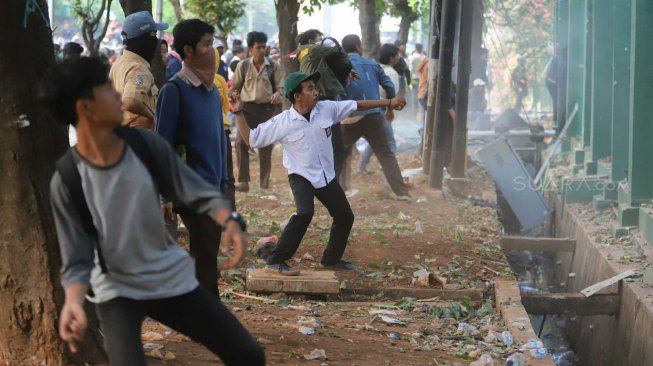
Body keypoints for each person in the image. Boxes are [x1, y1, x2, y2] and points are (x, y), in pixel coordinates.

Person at [47, 57, 264, 366]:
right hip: (116, 293)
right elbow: (76, 257)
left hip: (169, 278)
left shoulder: (145, 146)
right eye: (109, 90)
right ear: (85, 108)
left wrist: (226, 217)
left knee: (248, 355)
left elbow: (195, 189)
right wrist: (72, 302)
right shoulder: (67, 180)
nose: (120, 97)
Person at [232, 71, 407, 275]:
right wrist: (238, 114)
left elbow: (356, 105)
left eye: (315, 87)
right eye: (310, 89)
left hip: (325, 175)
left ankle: (331, 259)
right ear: (297, 96)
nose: (316, 92)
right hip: (301, 175)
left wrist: (388, 102)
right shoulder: (283, 122)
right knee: (305, 213)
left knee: (344, 216)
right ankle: (275, 260)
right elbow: (252, 139)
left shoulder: (326, 109)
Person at [155, 19, 230, 296]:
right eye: (206, 45)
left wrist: (224, 184)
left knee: (206, 254)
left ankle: (201, 312)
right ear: (188, 50)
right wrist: (166, 194)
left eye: (213, 44)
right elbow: (164, 145)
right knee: (206, 256)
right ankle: (211, 319)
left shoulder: (211, 90)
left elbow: (218, 140)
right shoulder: (174, 91)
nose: (213, 51)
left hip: (214, 186)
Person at [339, 35, 411, 200]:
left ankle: (335, 192)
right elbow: (389, 86)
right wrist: (389, 107)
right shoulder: (372, 64)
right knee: (385, 153)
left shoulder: (338, 67)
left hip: (348, 118)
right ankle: (402, 192)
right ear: (358, 46)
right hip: (373, 115)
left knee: (338, 154)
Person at [296, 29, 356, 180]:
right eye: (319, 38)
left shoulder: (308, 54)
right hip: (321, 103)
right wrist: (333, 44)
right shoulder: (312, 50)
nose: (321, 41)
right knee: (334, 147)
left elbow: (328, 70)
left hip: (318, 102)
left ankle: (324, 179)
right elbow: (335, 49)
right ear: (310, 40)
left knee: (326, 146)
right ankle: (329, 181)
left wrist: (347, 71)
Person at [230, 31, 284, 192]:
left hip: (267, 110)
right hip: (246, 110)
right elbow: (235, 86)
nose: (262, 50)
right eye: (258, 47)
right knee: (240, 143)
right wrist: (234, 95)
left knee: (266, 148)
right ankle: (243, 181)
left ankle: (264, 184)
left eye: (263, 47)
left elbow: (282, 88)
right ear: (250, 49)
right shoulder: (243, 65)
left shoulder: (274, 67)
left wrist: (278, 94)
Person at [109, 11, 166, 129]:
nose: (156, 41)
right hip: (137, 140)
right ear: (145, 40)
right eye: (154, 35)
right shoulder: (138, 68)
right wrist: (151, 118)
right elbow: (129, 102)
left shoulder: (118, 64)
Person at [357, 44, 401, 176]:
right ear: (391, 58)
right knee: (389, 144)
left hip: (368, 109)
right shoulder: (391, 73)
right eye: (398, 55)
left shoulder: (373, 68)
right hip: (381, 110)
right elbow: (391, 93)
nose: (400, 57)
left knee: (375, 139)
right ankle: (390, 174)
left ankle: (362, 165)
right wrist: (390, 110)